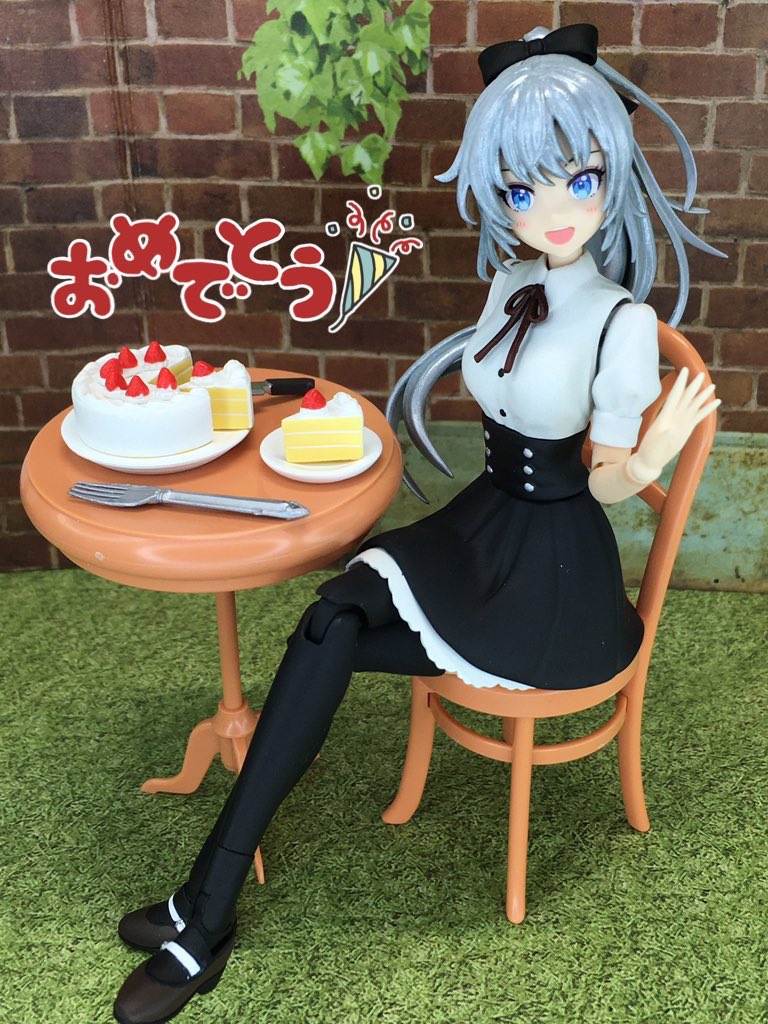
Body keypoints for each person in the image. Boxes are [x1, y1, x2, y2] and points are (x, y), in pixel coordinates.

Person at [113, 23, 721, 1024]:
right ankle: (206, 896)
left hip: (554, 575)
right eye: (523, 190)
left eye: (580, 180)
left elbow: (610, 482)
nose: (555, 212)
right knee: (329, 616)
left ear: (614, 171)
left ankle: (203, 912)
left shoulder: (618, 324)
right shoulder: (512, 282)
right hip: (484, 524)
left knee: (331, 629)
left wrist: (650, 456)